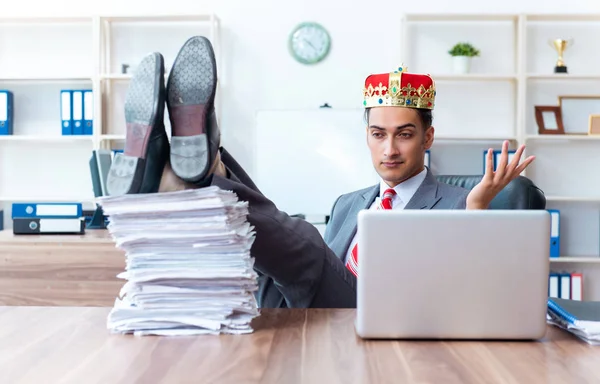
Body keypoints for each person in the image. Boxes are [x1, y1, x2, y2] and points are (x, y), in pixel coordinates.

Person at [106, 36, 535, 309]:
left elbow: (481, 296)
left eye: (404, 134)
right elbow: (311, 282)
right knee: (253, 246)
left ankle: (189, 169)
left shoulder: (465, 205)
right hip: (310, 320)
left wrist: (477, 210)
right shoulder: (349, 204)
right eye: (378, 134)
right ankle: (195, 163)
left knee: (304, 247)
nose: (389, 149)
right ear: (366, 136)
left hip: (379, 317)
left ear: (428, 138)